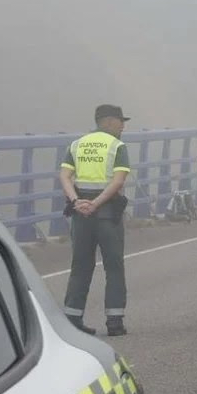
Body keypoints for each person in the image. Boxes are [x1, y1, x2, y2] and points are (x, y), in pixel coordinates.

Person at [59, 104, 132, 336]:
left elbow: (65, 176)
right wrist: (96, 203)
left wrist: (76, 201)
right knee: (114, 266)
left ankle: (72, 318)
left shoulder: (77, 144)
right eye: (121, 121)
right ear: (109, 122)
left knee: (80, 266)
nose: (123, 126)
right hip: (107, 215)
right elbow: (118, 181)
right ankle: (115, 321)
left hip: (81, 215)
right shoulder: (117, 146)